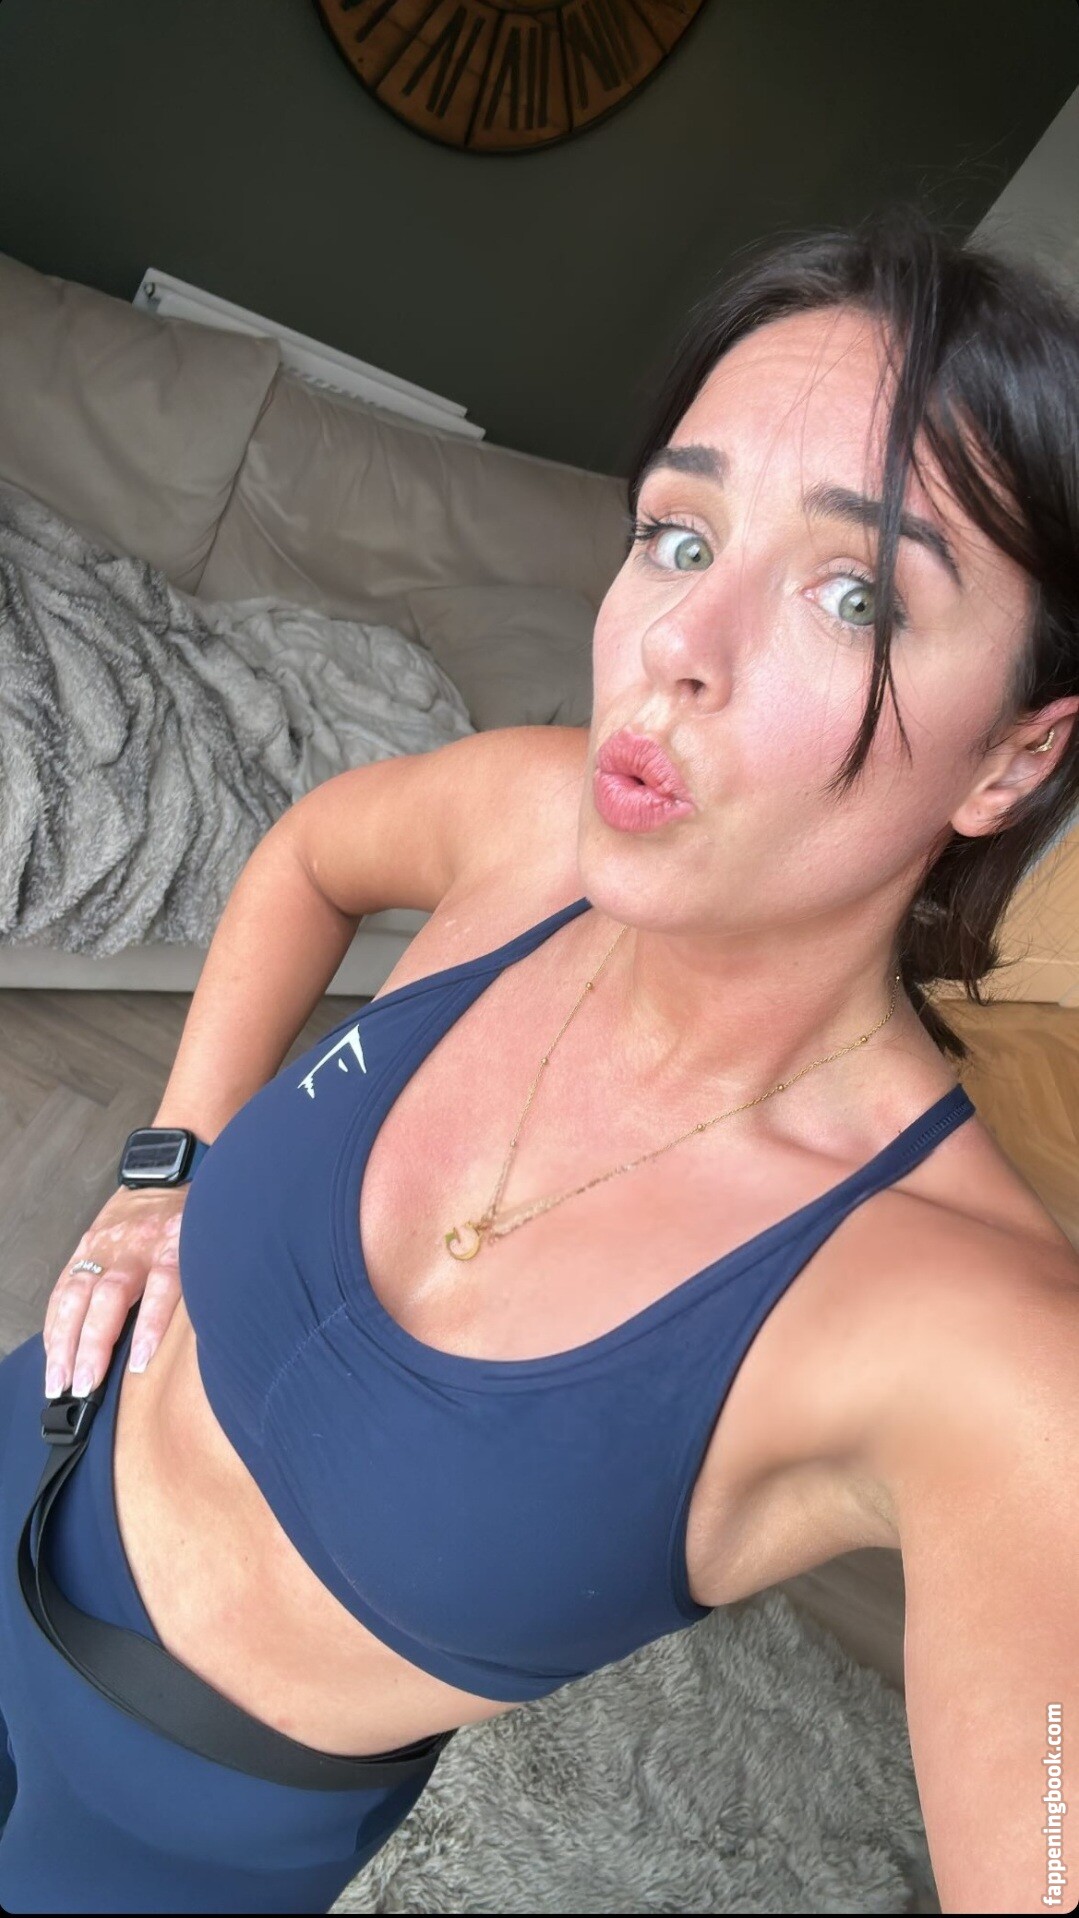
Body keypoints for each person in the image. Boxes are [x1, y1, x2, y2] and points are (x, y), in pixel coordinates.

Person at [1, 205, 1077, 1916]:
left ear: (1013, 760)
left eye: (856, 591)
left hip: (155, 1844)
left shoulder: (979, 1343)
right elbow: (307, 855)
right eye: (677, 533)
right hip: (33, 1435)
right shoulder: (530, 820)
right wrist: (166, 1160)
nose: (678, 644)